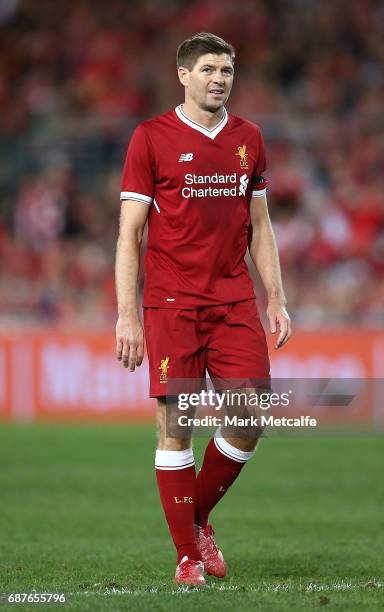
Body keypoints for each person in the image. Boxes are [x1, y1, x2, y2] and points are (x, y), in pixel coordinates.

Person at [115, 32, 291, 586]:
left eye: (229, 69)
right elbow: (129, 237)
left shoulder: (249, 138)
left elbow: (260, 225)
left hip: (234, 298)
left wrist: (277, 298)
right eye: (210, 68)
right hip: (172, 304)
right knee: (176, 426)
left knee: (249, 416)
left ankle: (197, 521)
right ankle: (186, 556)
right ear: (184, 76)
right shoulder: (151, 139)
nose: (221, 78)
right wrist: (127, 314)